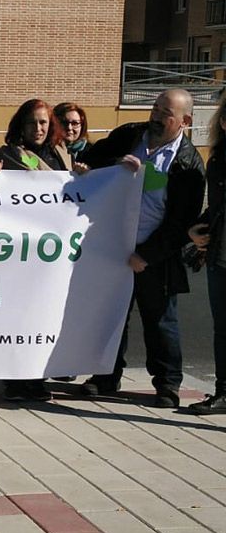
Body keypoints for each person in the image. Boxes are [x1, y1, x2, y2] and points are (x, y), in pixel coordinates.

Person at [79, 88, 206, 408]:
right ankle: (105, 376)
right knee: (111, 316)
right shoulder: (130, 135)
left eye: (166, 113)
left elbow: (182, 222)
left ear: (185, 121)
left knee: (160, 320)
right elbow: (91, 159)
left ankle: (167, 384)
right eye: (155, 108)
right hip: (111, 245)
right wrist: (114, 164)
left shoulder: (188, 162)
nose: (156, 116)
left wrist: (146, 255)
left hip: (153, 254)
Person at [0, 99, 72, 402]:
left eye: (44, 122)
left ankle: (37, 375)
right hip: (18, 252)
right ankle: (15, 379)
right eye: (33, 122)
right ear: (21, 125)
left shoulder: (62, 156)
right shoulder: (5, 155)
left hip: (51, 254)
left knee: (44, 316)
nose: (38, 128)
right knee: (17, 317)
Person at [189, 91, 226, 414]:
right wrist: (196, 229)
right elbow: (215, 206)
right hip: (219, 254)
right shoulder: (218, 157)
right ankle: (223, 392)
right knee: (222, 328)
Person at [55, 102, 94, 166]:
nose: (69, 128)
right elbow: (33, 164)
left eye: (75, 123)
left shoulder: (92, 152)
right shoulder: (45, 151)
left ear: (82, 126)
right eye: (64, 122)